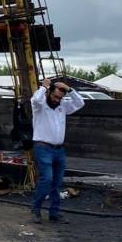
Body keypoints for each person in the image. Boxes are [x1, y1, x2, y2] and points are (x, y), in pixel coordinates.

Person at [30, 78, 84, 224]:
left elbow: (80, 103)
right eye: (55, 96)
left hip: (58, 149)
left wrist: (69, 89)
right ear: (49, 93)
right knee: (47, 179)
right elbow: (35, 100)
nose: (57, 99)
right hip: (43, 147)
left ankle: (54, 212)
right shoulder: (40, 106)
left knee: (57, 182)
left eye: (60, 98)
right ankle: (36, 209)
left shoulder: (62, 106)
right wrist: (43, 87)